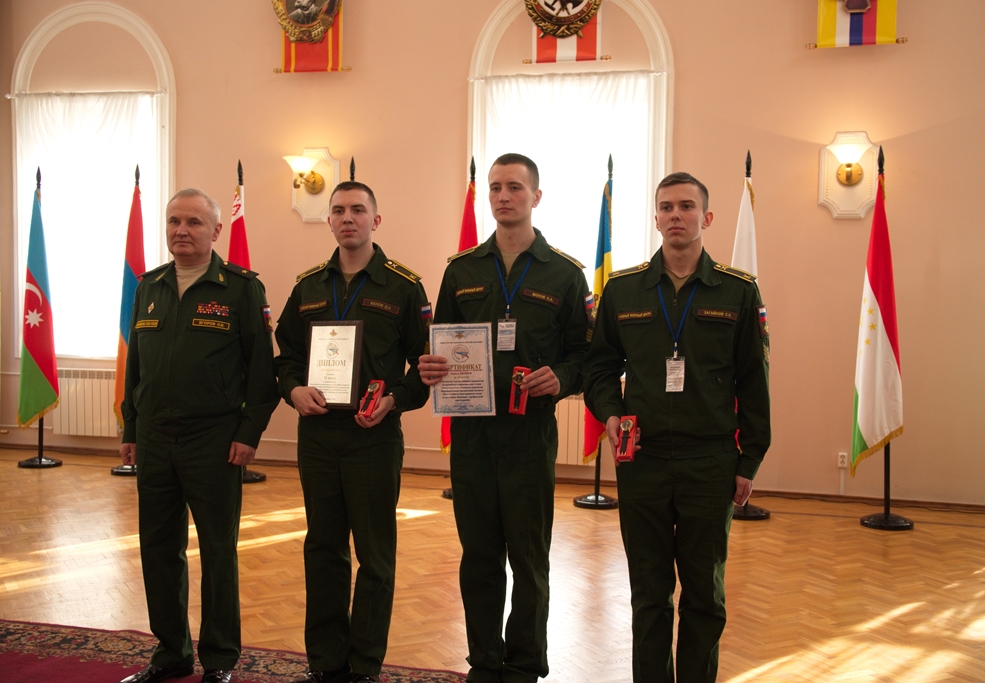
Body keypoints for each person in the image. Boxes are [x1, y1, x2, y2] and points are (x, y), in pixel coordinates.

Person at [583, 172, 771, 683]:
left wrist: (748, 461)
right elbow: (600, 366)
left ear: (706, 218)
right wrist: (611, 412)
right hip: (640, 461)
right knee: (648, 592)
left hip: (709, 462)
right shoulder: (623, 290)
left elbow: (754, 383)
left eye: (686, 207)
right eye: (665, 207)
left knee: (704, 594)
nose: (675, 216)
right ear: (656, 217)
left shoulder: (737, 291)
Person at [418, 154, 590, 683]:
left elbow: (586, 357)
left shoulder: (565, 272)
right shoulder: (461, 269)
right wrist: (429, 365)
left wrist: (561, 378)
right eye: (495, 187)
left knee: (529, 555)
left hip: (529, 434)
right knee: (479, 555)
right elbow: (439, 341)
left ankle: (523, 662)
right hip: (472, 434)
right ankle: (485, 660)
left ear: (536, 197)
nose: (502, 196)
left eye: (514, 187)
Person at [118, 189, 280, 683]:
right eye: (173, 221)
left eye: (192, 222)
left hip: (214, 439)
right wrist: (131, 427)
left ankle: (219, 660)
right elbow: (137, 366)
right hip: (154, 438)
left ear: (216, 231)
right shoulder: (149, 285)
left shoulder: (240, 288)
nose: (180, 230)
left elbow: (262, 372)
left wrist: (249, 433)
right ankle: (170, 653)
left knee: (216, 549)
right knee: (158, 548)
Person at [275, 181, 431, 683]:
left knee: (374, 554)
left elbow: (422, 367)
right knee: (322, 547)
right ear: (330, 221)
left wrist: (394, 401)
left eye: (358, 210)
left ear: (375, 221)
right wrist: (294, 391)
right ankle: (325, 662)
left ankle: (365, 665)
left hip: (373, 437)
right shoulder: (308, 286)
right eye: (338, 210)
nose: (348, 218)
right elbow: (287, 360)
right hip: (318, 435)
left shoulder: (405, 287)